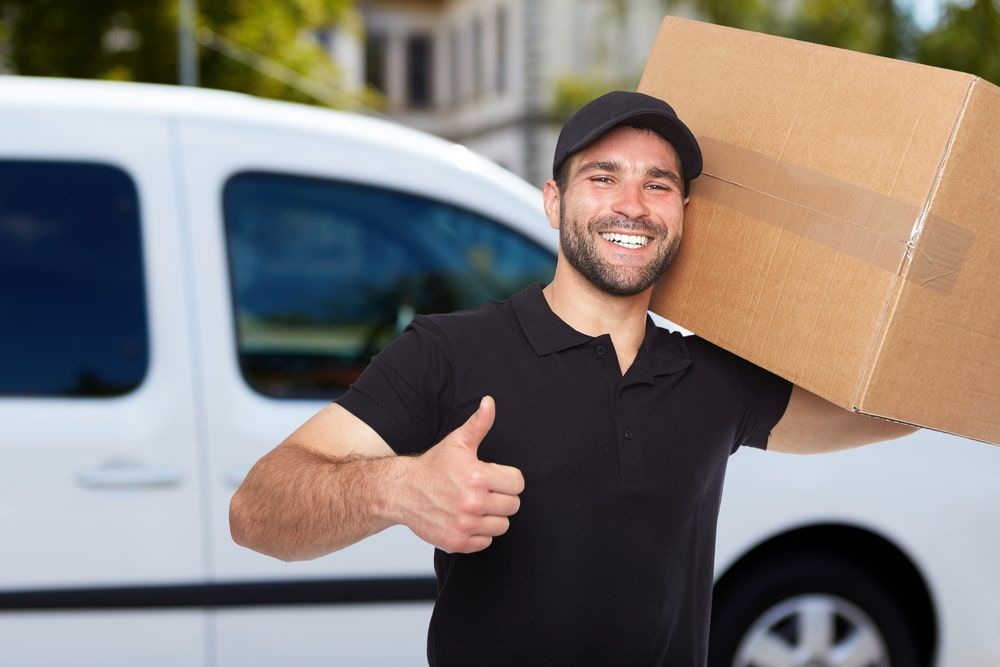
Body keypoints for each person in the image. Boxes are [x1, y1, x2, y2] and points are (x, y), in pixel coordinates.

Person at [230, 91, 917, 665]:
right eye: (603, 177)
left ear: (683, 216)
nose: (633, 204)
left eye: (660, 184)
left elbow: (899, 406)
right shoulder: (449, 352)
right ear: (554, 201)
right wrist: (399, 488)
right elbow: (257, 510)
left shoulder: (712, 379)